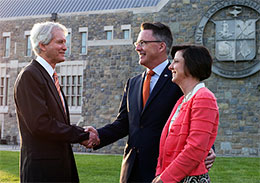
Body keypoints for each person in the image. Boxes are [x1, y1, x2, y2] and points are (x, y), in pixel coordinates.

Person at [85, 22, 216, 183]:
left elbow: (201, 122)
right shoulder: (133, 83)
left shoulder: (182, 80)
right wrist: (98, 135)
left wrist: (208, 148)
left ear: (161, 46)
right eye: (137, 43)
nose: (137, 48)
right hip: (132, 170)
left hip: (167, 170)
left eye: (142, 43)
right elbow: (124, 123)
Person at [14, 21, 99, 183]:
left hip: (59, 168)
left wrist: (81, 132)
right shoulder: (30, 76)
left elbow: (56, 121)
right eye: (60, 42)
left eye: (65, 42)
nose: (65, 47)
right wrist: (81, 134)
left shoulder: (49, 77)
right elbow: (40, 124)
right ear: (42, 45)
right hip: (42, 173)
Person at [152, 45, 219, 183]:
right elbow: (165, 147)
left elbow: (195, 149)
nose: (170, 67)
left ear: (190, 65)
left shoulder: (204, 97)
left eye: (176, 62)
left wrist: (164, 179)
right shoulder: (181, 101)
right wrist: (159, 175)